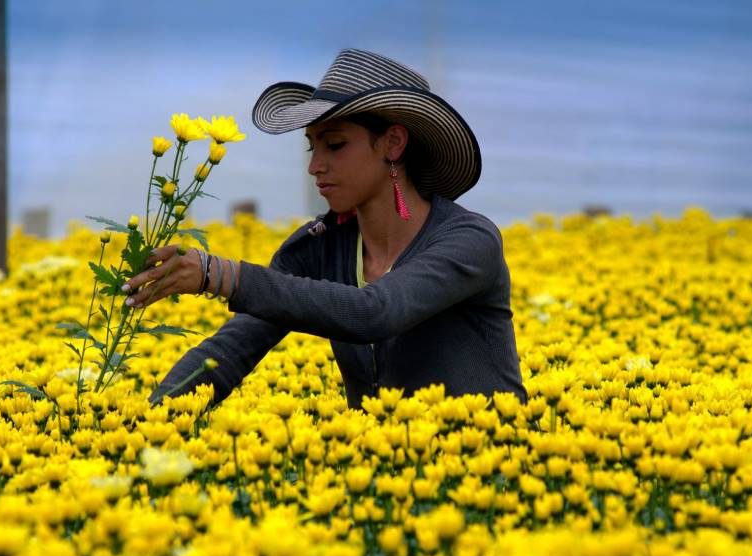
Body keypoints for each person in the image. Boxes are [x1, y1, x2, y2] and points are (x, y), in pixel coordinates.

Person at [123, 48, 527, 409]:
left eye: (334, 146)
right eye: (311, 146)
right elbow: (231, 351)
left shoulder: (469, 241)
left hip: (488, 477)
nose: (315, 165)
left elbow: (375, 312)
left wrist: (219, 275)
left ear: (393, 145)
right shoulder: (317, 247)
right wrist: (149, 418)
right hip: (374, 482)